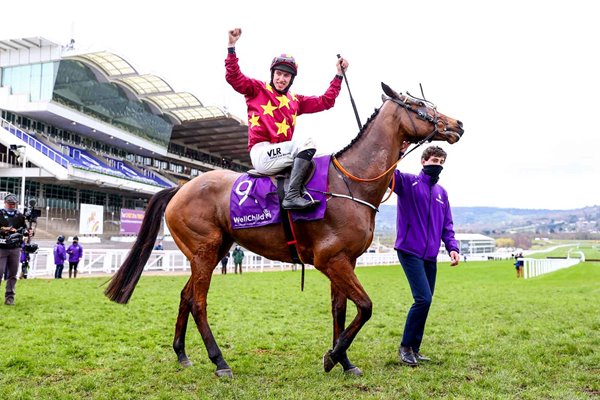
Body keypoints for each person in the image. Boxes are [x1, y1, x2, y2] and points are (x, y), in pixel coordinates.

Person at [226, 27, 349, 210]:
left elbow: (325, 101)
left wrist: (339, 75)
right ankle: (291, 196)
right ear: (272, 74)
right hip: (261, 153)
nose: (281, 79)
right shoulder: (257, 89)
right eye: (278, 74)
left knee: (319, 157)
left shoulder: (295, 101)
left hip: (281, 154)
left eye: (286, 75)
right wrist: (231, 46)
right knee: (307, 143)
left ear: (291, 79)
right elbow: (234, 77)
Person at [392, 145, 460, 367]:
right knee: (423, 299)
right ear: (423, 161)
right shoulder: (407, 183)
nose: (437, 165)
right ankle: (404, 347)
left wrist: (453, 247)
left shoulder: (442, 193)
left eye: (441, 162)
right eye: (433, 160)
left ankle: (415, 348)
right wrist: (399, 152)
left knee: (426, 302)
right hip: (409, 250)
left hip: (430, 255)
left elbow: (447, 225)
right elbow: (389, 172)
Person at [0, 194, 30, 305]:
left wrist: (28, 232)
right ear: (5, 203)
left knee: (13, 274)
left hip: (15, 248)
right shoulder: (0, 214)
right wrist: (5, 229)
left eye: (14, 204)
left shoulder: (20, 216)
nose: (12, 206)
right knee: (0, 271)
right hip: (1, 248)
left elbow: (25, 230)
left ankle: (9, 298)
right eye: (10, 204)